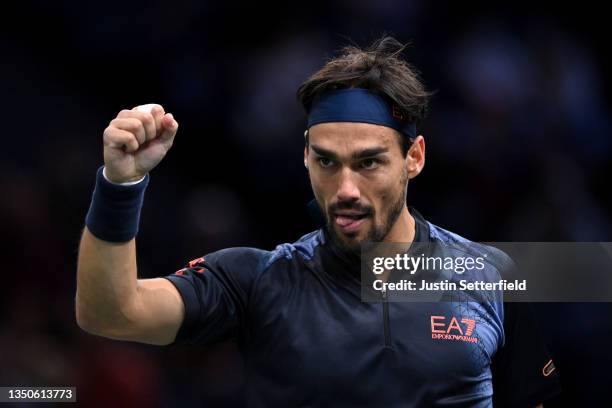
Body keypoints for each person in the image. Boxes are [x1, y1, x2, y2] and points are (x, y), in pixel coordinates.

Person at [76, 37, 560, 407]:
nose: (346, 189)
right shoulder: (257, 281)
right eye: (327, 162)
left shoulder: (488, 275)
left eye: (368, 163)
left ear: (413, 158)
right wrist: (121, 184)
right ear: (305, 157)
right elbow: (110, 313)